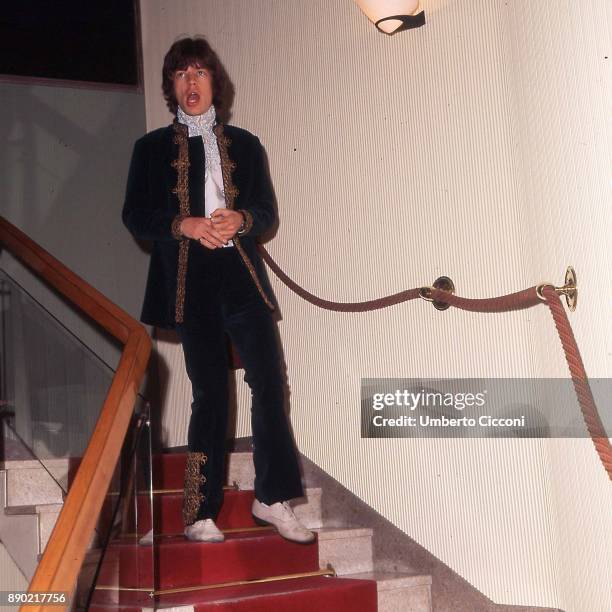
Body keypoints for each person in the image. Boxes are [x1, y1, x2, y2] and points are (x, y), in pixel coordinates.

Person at [123, 37, 313, 544]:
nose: (191, 83)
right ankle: (197, 511)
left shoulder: (247, 145)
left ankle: (271, 498)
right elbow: (134, 216)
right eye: (181, 74)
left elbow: (266, 213)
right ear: (171, 85)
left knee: (270, 383)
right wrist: (181, 224)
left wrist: (242, 219)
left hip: (241, 276)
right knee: (210, 392)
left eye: (200, 73)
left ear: (215, 83)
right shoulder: (149, 150)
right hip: (191, 280)